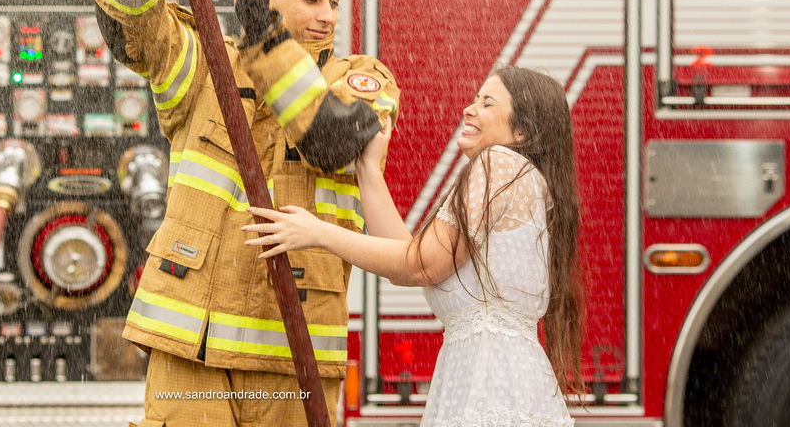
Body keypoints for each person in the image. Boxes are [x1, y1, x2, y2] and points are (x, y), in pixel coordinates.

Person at [97, 0, 401, 427]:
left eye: (334, 1)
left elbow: (331, 141)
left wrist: (265, 35)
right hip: (190, 346)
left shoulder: (360, 79)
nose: (327, 15)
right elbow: (131, 31)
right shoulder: (207, 61)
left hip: (292, 356)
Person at [244, 66, 584, 427]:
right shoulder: (523, 177)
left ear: (522, 131)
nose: (469, 109)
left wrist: (318, 233)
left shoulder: (498, 163)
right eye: (474, 99)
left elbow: (420, 266)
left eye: (487, 103)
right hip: (501, 380)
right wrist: (368, 169)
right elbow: (408, 261)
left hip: (489, 384)